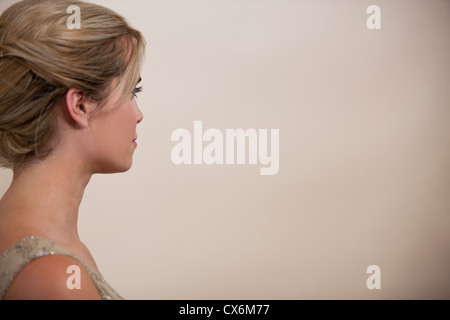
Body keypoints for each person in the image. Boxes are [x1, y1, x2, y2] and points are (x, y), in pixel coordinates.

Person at [0, 0, 145, 299]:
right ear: (79, 105)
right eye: (132, 91)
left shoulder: (48, 251)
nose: (139, 114)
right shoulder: (55, 278)